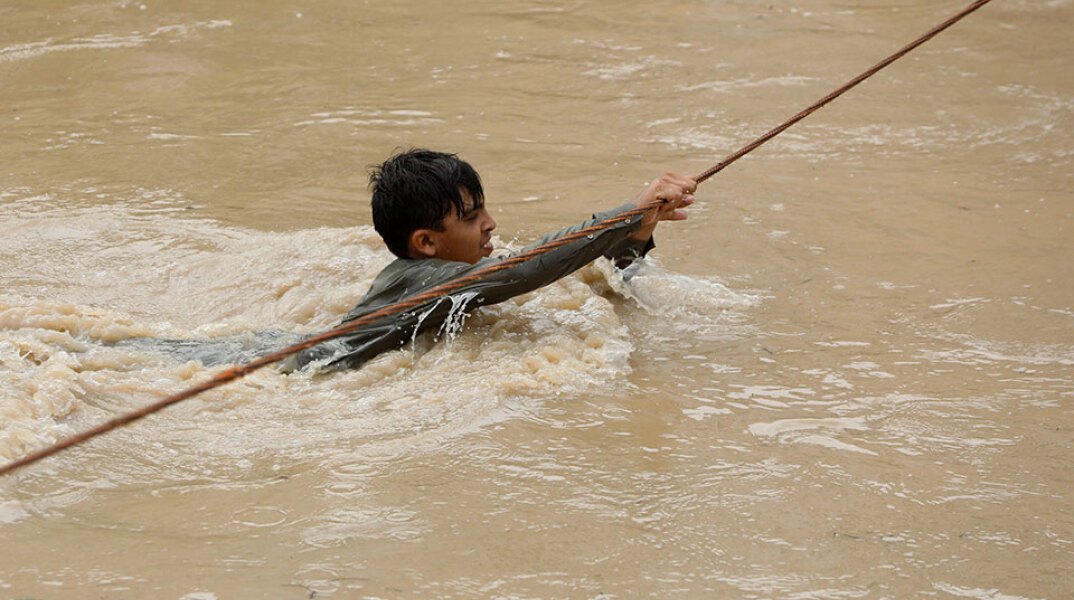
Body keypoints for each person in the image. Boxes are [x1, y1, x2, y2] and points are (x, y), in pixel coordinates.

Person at [282, 148, 696, 372]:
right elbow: (528, 267)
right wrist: (629, 213)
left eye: (484, 210)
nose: (490, 224)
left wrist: (639, 229)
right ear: (426, 243)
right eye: (471, 217)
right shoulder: (429, 279)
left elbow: (602, 281)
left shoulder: (436, 273)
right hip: (303, 365)